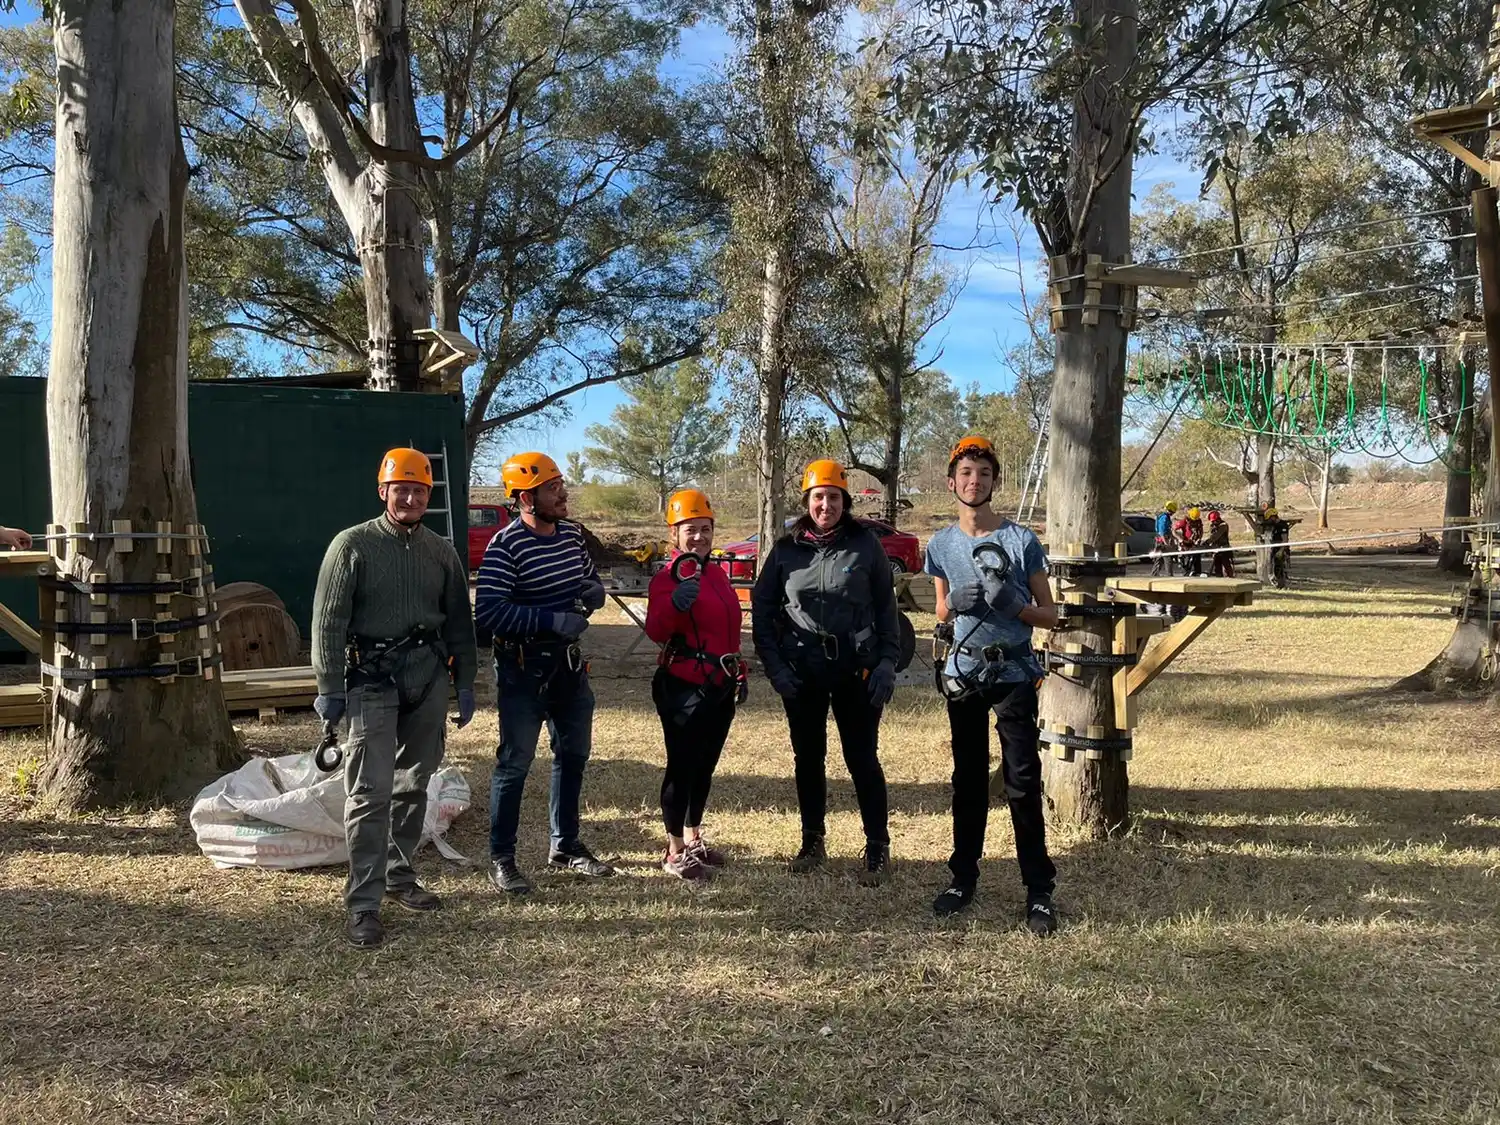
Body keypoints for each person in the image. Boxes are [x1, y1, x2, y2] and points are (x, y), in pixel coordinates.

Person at [311, 448, 479, 949]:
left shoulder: (441, 552)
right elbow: (329, 621)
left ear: (429, 495)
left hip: (427, 678)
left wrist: (465, 681)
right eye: (401, 489)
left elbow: (459, 621)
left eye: (420, 491)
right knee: (369, 792)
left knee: (414, 784)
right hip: (372, 680)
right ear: (383, 491)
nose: (410, 499)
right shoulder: (352, 546)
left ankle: (401, 877)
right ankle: (364, 902)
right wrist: (329, 687)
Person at [923, 435, 1060, 935]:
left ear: (994, 482)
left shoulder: (1022, 541)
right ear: (951, 483)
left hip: (1014, 674)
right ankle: (962, 879)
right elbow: (941, 609)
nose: (974, 481)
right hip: (964, 674)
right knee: (967, 780)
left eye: (983, 473)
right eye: (965, 473)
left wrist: (1016, 607)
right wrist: (954, 603)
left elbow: (1051, 614)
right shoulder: (940, 546)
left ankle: (1038, 890)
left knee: (1022, 781)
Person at [751, 458, 900, 885]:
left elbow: (886, 607)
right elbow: (762, 610)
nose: (826, 505)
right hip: (802, 671)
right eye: (819, 497)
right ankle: (812, 841)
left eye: (834, 497)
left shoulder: (865, 545)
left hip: (857, 670)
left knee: (862, 758)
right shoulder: (785, 550)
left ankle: (877, 847)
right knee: (808, 758)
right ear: (807, 501)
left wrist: (887, 662)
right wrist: (776, 668)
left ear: (844, 501)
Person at [476, 451, 612, 896]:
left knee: (573, 755)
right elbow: (489, 612)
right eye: (553, 488)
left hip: (567, 666)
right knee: (514, 764)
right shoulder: (505, 546)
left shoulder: (571, 536)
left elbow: (587, 579)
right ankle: (502, 859)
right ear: (525, 499)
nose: (563, 493)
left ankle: (565, 845)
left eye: (560, 485)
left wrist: (594, 592)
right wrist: (551, 620)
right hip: (522, 669)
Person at [643, 488, 747, 881]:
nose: (700, 537)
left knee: (705, 766)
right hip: (683, 687)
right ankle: (674, 851)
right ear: (674, 533)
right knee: (682, 766)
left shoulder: (716, 574)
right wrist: (674, 605)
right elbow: (656, 630)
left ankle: (693, 835)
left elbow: (727, 628)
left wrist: (739, 668)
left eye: (705, 529)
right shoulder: (668, 578)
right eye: (690, 529)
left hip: (720, 684)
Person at [1260, 504, 1291, 588]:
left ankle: (1281, 585)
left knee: (1279, 567)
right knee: (1271, 566)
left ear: (1273, 517)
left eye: (1269, 519)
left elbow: (1285, 540)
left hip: (1281, 548)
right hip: (1274, 548)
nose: (1269, 521)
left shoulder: (1282, 525)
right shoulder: (1274, 525)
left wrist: (1281, 551)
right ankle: (1276, 583)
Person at [1151, 502, 1178, 577]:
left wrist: (1173, 538)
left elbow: (1168, 530)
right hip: (1162, 542)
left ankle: (1154, 575)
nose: (1173, 513)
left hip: (1161, 541)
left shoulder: (1164, 516)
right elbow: (1162, 532)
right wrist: (1166, 543)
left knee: (1159, 560)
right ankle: (1169, 576)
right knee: (1168, 559)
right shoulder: (1164, 518)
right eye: (1173, 512)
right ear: (1170, 510)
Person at [1205, 509, 1234, 577]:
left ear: (1218, 519)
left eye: (1214, 521)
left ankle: (1230, 578)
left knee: (1226, 565)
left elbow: (1216, 536)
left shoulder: (1223, 525)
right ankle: (1219, 578)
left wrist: (1207, 542)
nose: (1213, 522)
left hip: (1224, 548)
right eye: (1212, 521)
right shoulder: (1213, 526)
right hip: (1216, 549)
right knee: (1217, 566)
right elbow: (1211, 535)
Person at [1185, 507, 1205, 577]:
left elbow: (1201, 530)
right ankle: (1187, 572)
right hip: (1188, 543)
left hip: (1196, 543)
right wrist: (1182, 540)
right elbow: (1175, 530)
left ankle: (1198, 572)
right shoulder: (1185, 520)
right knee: (1189, 559)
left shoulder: (1199, 521)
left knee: (1197, 558)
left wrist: (1199, 538)